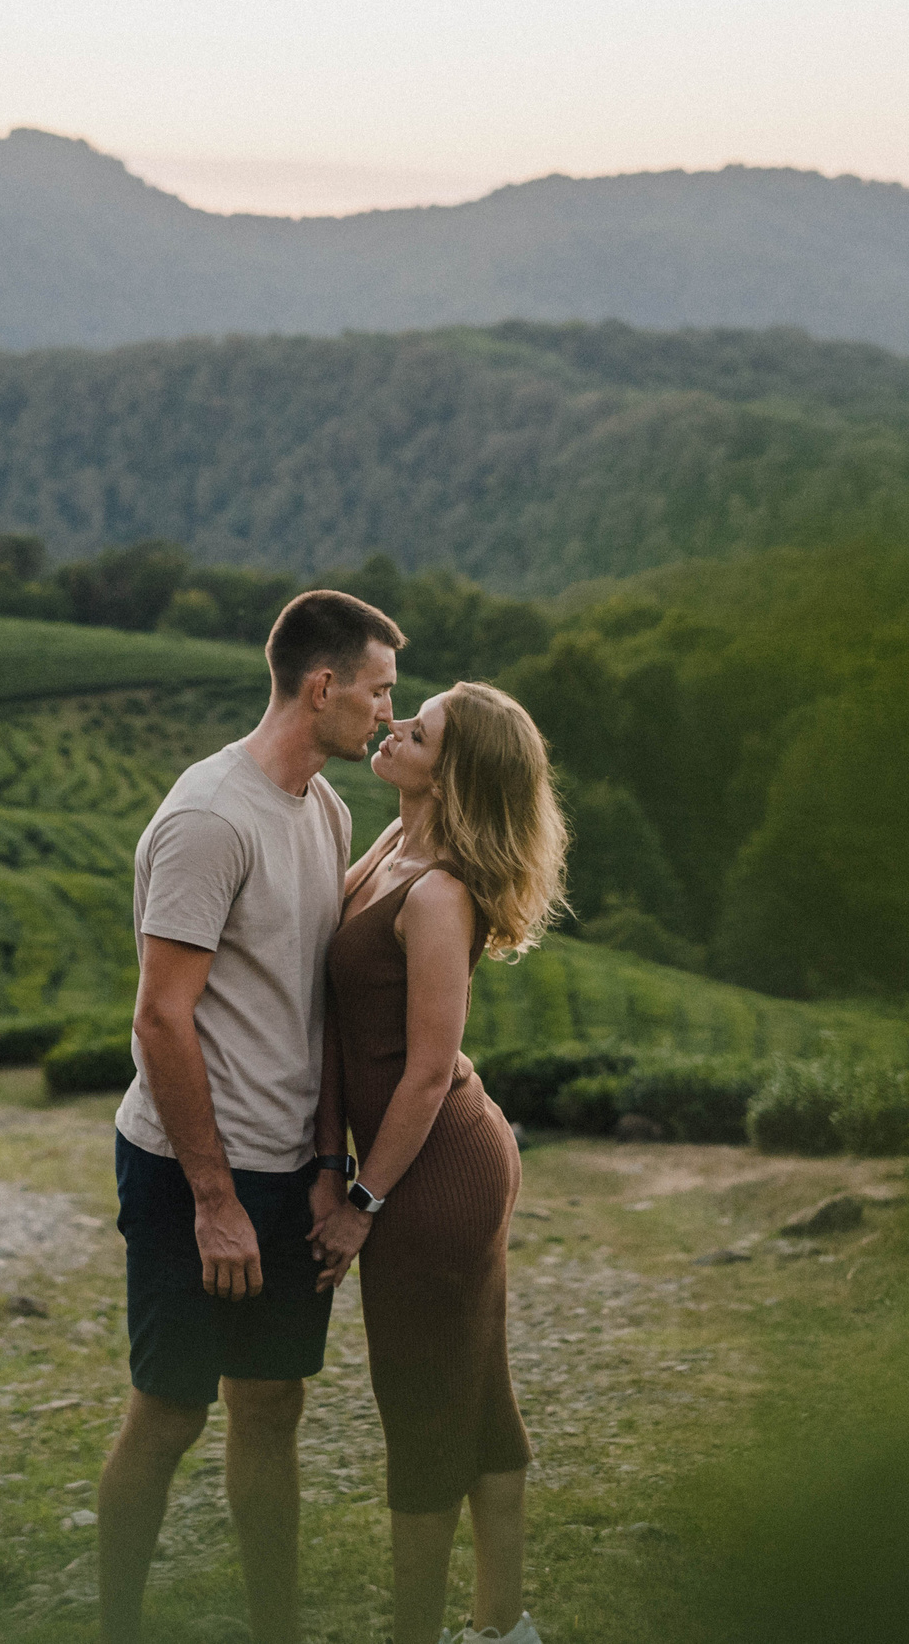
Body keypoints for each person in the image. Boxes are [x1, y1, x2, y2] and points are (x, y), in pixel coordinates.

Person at [97, 589, 404, 1644]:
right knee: (172, 1412)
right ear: (321, 687)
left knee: (272, 1410)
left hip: (287, 1170)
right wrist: (214, 1200)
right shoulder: (206, 819)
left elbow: (310, 1004)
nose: (386, 715)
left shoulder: (326, 810)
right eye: (377, 691)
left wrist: (326, 1164)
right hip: (190, 1170)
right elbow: (159, 1019)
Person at [309, 682, 569, 1644]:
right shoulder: (391, 846)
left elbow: (422, 1076)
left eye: (420, 733)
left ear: (452, 773)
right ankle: (505, 1632)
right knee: (477, 1399)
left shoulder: (441, 891)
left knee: (423, 1412)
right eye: (405, 716)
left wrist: (359, 1199)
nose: (394, 729)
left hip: (435, 1172)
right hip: (425, 1158)